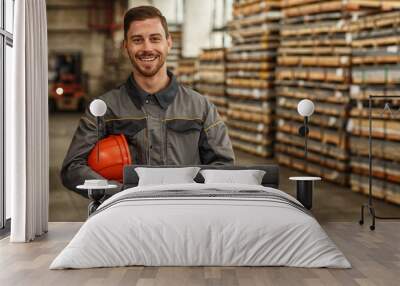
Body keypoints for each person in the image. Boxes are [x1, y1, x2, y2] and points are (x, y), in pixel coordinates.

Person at [61, 6, 235, 197]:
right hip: (126, 217)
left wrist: (186, 191)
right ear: (125, 46)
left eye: (155, 38)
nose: (147, 48)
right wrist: (120, 193)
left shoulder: (201, 108)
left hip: (186, 218)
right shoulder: (104, 110)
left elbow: (223, 167)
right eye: (137, 40)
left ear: (169, 43)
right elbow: (73, 169)